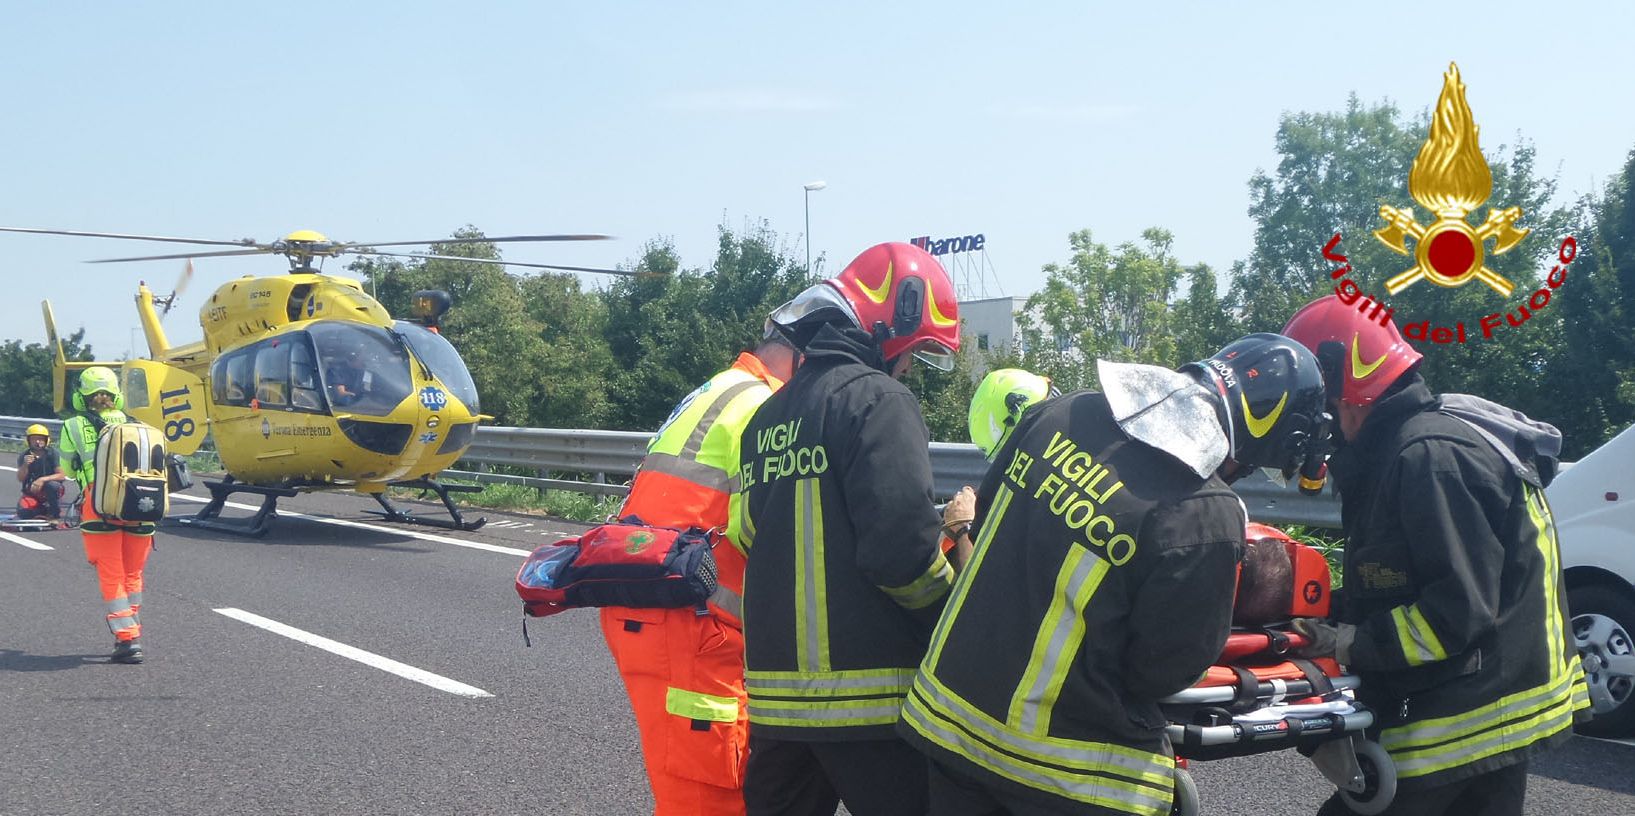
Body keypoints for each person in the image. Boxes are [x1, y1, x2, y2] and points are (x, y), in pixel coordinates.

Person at [900, 335, 1328, 816]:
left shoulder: (1060, 415)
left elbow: (988, 532)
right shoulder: (1203, 513)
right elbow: (1164, 671)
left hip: (948, 724)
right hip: (1065, 768)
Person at [1280, 295, 1590, 816]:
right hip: (1483, 698)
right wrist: (1321, 610)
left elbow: (1455, 613)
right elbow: (1399, 580)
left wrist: (1352, 643)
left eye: (1318, 407)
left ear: (1349, 392)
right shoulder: (1399, 448)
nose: (1317, 429)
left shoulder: (1428, 459)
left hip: (1472, 712)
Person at [727, 242, 962, 816]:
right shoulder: (880, 400)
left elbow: (746, 532)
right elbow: (902, 554)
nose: (909, 366)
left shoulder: (766, 418)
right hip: (870, 710)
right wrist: (954, 618)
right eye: (913, 350)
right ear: (891, 322)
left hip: (779, 712)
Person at [599, 330, 799, 816]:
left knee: (697, 793)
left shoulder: (723, 388)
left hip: (663, 607)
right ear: (801, 354)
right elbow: (774, 532)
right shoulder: (764, 408)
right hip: (690, 624)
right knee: (710, 802)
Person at [58, 366, 157, 665]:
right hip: (140, 509)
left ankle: (127, 640)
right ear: (117, 393)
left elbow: (67, 471)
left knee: (112, 573)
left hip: (99, 506)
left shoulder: (73, 425)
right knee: (132, 575)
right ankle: (130, 633)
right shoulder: (140, 426)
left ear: (81, 396)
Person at [17, 423, 68, 520]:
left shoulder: (52, 454)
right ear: (28, 440)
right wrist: (25, 465)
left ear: (46, 440)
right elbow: (20, 478)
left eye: (40, 438)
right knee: (23, 513)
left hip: (50, 490)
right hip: (33, 492)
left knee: (52, 485)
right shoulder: (24, 456)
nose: (37, 441)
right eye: (34, 439)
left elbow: (62, 475)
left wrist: (42, 480)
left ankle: (54, 514)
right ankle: (41, 510)